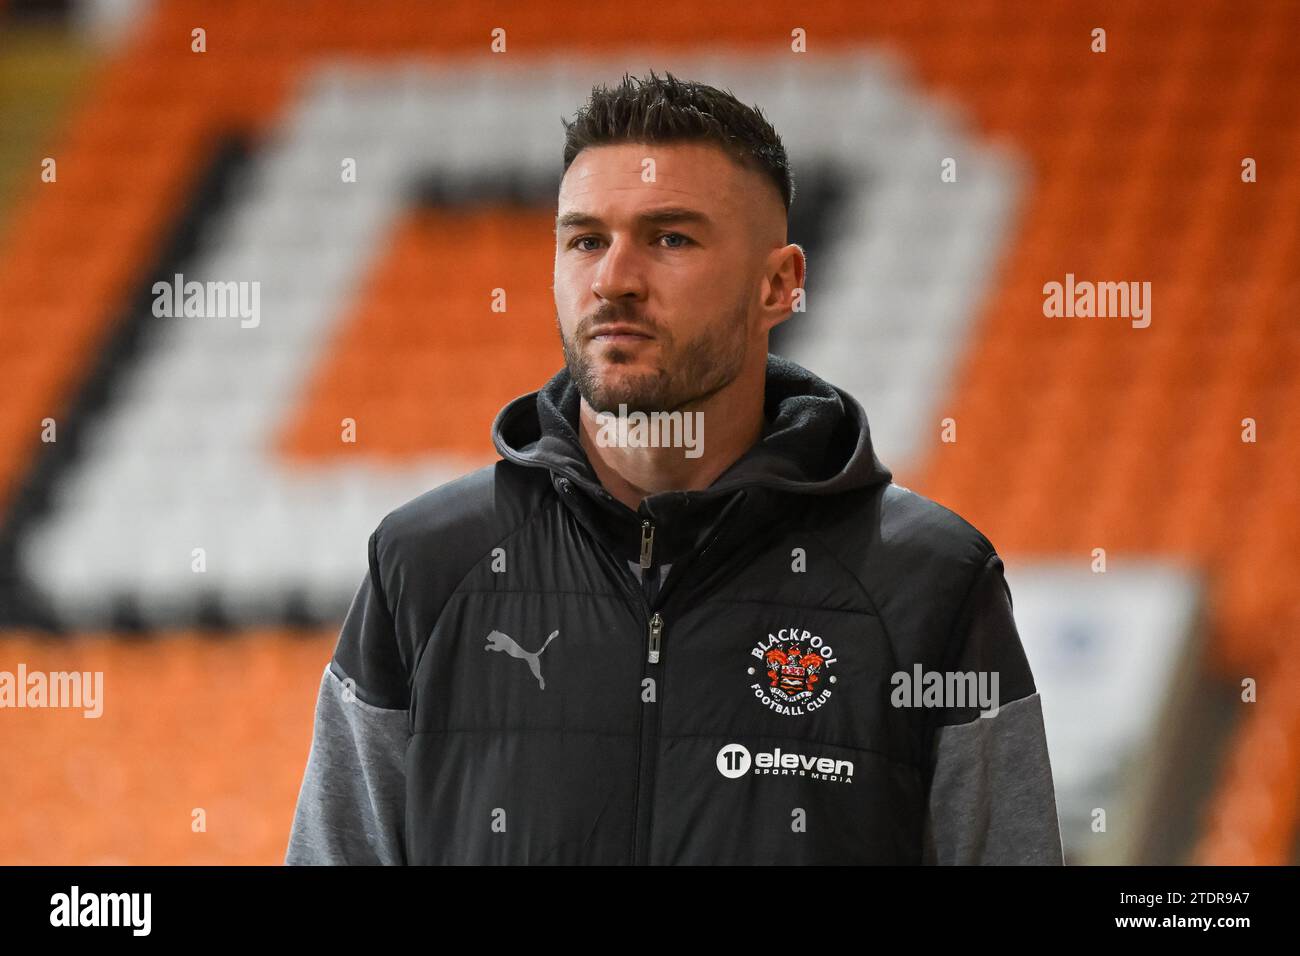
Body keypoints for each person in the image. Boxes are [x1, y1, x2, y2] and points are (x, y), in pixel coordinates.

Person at [285, 70, 1064, 865]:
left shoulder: (929, 580)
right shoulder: (425, 565)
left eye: (670, 238)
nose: (614, 279)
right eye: (586, 239)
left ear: (779, 284)